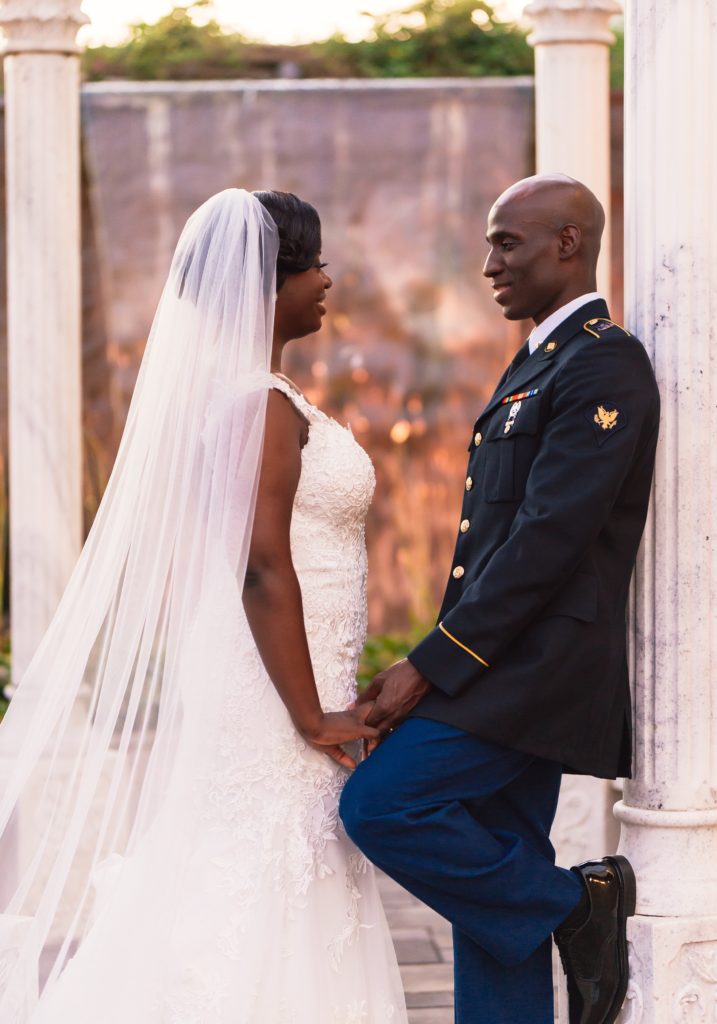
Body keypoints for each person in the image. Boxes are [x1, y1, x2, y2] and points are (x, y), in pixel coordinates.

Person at [0, 189, 407, 1023]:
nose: (328, 279)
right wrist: (310, 715)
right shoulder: (256, 404)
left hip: (279, 672)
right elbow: (260, 564)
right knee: (259, 864)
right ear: (271, 279)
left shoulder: (253, 396)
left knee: (277, 864)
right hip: (273, 690)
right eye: (314, 263)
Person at [340, 173, 660, 1024]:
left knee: (382, 805)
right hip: (500, 659)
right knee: (495, 881)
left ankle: (573, 907)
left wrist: (429, 665)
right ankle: (554, 914)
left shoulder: (604, 362)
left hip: (536, 670)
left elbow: (549, 538)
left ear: (566, 242)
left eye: (505, 242)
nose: (488, 264)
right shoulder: (540, 361)